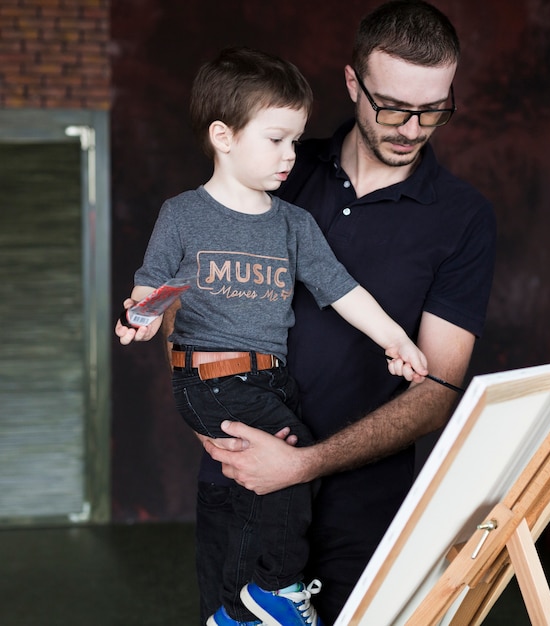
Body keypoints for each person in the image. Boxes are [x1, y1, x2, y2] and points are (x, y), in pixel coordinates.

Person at [198, 1, 497, 624]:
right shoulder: (275, 166)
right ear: (353, 83)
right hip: (242, 485)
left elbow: (438, 387)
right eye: (392, 106)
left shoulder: (464, 218)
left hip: (365, 512)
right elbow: (188, 300)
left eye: (433, 109)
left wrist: (304, 464)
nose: (412, 128)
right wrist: (208, 422)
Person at [116, 46, 428, 626]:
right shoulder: (182, 215)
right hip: (211, 377)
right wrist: (142, 318)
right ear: (223, 136)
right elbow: (149, 291)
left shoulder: (293, 223)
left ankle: (236, 610)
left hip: (270, 380)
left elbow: (342, 290)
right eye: (276, 139)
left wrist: (397, 340)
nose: (291, 155)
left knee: (260, 491)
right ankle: (276, 587)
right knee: (291, 462)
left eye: (295, 140)